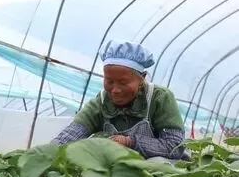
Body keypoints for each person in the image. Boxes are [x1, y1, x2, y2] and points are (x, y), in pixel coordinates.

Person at [52, 40, 189, 162]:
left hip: (160, 172)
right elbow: (72, 134)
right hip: (121, 169)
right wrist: (46, 156)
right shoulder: (101, 102)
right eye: (109, 81)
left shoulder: (160, 98)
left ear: (142, 79)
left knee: (157, 162)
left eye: (123, 82)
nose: (115, 90)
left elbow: (175, 146)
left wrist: (130, 142)